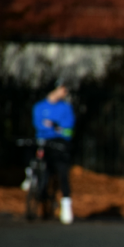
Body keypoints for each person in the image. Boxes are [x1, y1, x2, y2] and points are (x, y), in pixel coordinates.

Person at [31, 78, 76, 224]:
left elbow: (68, 127)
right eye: (63, 88)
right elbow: (39, 124)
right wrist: (55, 127)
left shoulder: (66, 107)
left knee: (63, 171)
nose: (65, 91)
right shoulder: (39, 107)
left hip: (60, 143)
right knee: (33, 154)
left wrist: (54, 126)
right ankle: (30, 176)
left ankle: (66, 205)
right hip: (43, 141)